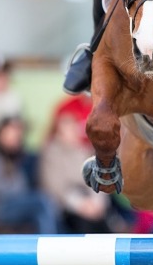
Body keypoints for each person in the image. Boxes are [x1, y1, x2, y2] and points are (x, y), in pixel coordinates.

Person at [39, 95, 112, 233]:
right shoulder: (52, 153)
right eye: (69, 128)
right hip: (68, 207)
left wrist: (97, 202)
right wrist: (82, 206)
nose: (74, 131)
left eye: (74, 127)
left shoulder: (85, 151)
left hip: (91, 203)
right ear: (59, 131)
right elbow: (56, 188)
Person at [0, 115, 60, 234]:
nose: (15, 138)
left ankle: (47, 241)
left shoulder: (17, 157)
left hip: (11, 204)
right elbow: (1, 190)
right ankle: (50, 244)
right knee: (41, 201)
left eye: (18, 135)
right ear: (0, 133)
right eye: (11, 133)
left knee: (43, 207)